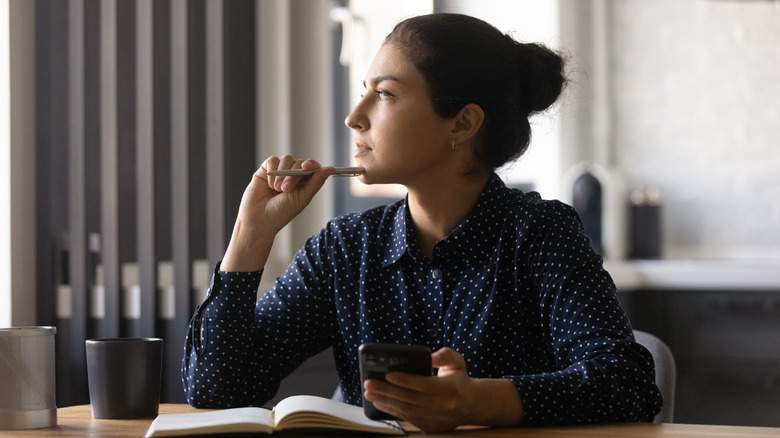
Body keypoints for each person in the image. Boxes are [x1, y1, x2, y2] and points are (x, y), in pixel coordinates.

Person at [181, 13, 662, 432]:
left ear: (461, 124)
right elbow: (216, 389)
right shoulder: (346, 249)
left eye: (384, 94)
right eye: (363, 91)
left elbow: (628, 385)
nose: (354, 117)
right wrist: (252, 233)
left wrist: (476, 401)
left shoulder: (539, 235)